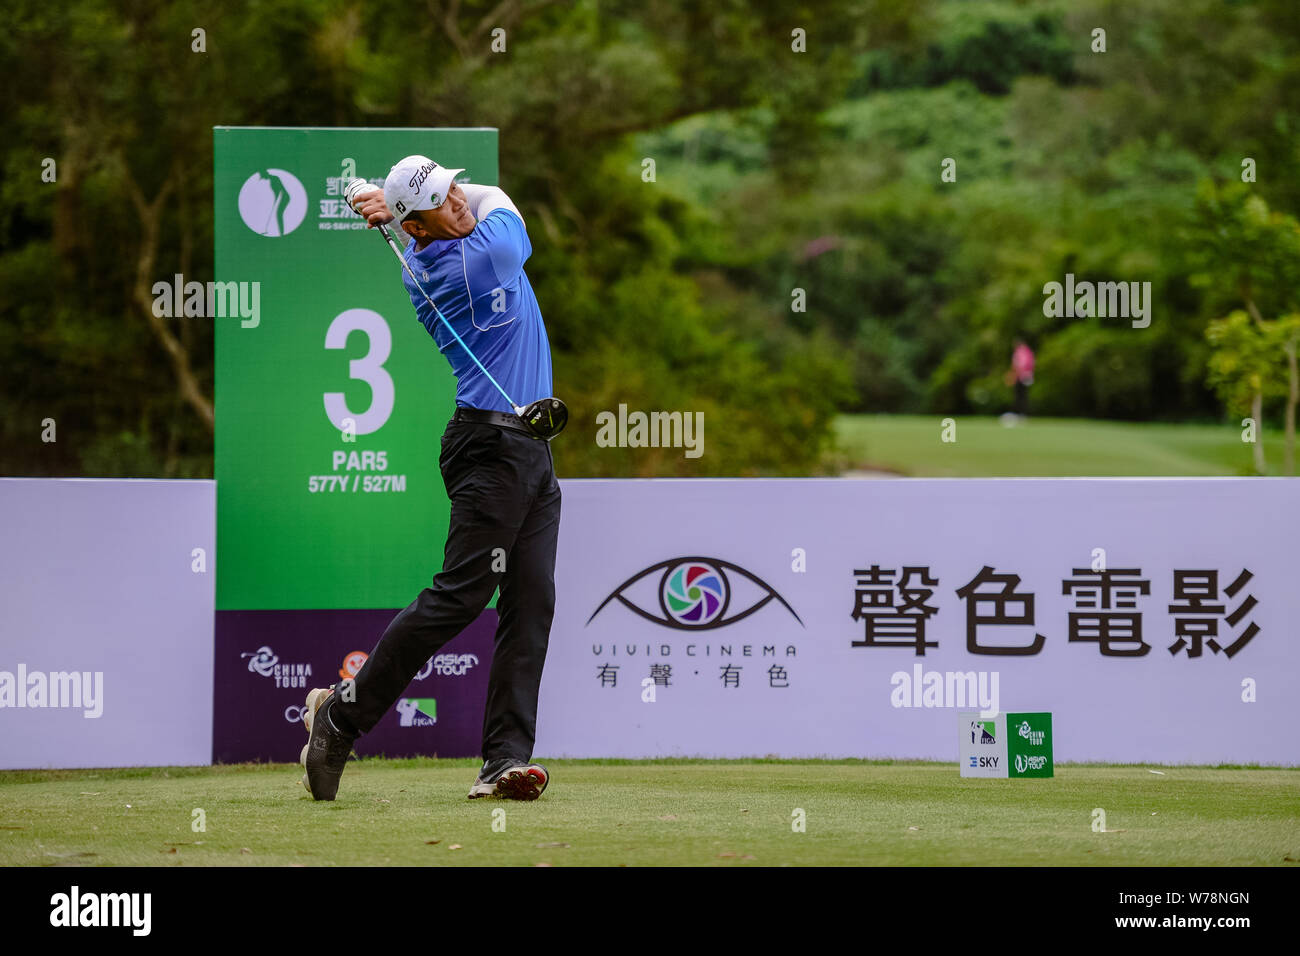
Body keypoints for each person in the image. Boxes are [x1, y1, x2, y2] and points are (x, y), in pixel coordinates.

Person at [301, 156, 561, 802]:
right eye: (442, 205)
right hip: (492, 446)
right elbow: (498, 193)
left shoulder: (430, 247)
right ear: (415, 231)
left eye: (452, 190)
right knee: (460, 597)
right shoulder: (483, 257)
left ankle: (503, 761)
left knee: (530, 604)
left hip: (525, 448)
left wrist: (386, 198)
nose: (458, 205)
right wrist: (388, 202)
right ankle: (340, 716)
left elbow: (464, 200)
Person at [1004, 338, 1035, 420]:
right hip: (1027, 376)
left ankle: (1019, 414)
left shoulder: (1020, 352)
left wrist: (1013, 375)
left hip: (1021, 377)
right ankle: (1022, 414)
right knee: (1023, 396)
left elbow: (1019, 366)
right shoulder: (1028, 351)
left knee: (1019, 396)